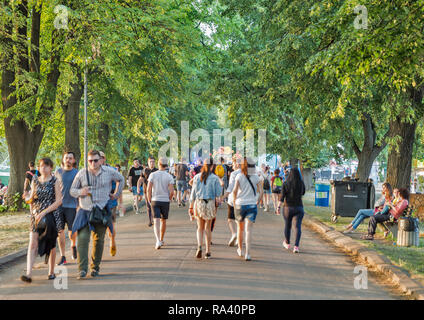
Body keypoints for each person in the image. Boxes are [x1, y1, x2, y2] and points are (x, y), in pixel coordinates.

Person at [70, 150, 124, 279]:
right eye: (90, 161)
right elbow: (72, 190)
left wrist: (115, 195)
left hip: (101, 210)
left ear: (100, 160)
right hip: (85, 210)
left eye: (95, 160)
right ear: (87, 161)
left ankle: (95, 268)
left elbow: (121, 179)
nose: (93, 163)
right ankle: (82, 269)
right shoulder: (82, 173)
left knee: (99, 240)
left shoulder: (109, 172)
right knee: (82, 239)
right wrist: (80, 192)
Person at [21, 158, 62, 283]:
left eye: (46, 166)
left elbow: (59, 201)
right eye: (41, 166)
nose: (43, 168)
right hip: (36, 216)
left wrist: (44, 212)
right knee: (32, 243)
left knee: (51, 244)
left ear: (50, 168)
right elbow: (32, 198)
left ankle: (51, 272)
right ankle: (28, 273)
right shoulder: (34, 180)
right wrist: (28, 201)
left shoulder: (55, 181)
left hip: (51, 215)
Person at [189, 157, 222, 259]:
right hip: (210, 203)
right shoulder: (215, 178)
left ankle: (199, 246)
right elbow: (218, 194)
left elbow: (193, 194)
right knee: (208, 227)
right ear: (212, 166)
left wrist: (190, 207)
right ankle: (208, 251)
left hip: (199, 203)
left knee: (200, 227)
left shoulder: (197, 177)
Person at [232, 157, 263, 261]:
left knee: (240, 229)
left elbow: (235, 191)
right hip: (251, 204)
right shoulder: (256, 177)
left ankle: (240, 249)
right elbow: (261, 191)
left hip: (240, 205)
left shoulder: (239, 176)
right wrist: (258, 200)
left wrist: (234, 202)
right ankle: (248, 254)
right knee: (248, 230)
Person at [55, 151, 79, 266]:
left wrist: (80, 205)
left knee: (72, 232)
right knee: (60, 231)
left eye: (70, 158)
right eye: (66, 158)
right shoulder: (58, 172)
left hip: (72, 206)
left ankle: (73, 245)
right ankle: (63, 256)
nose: (68, 160)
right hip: (59, 206)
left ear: (73, 160)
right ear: (63, 160)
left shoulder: (77, 173)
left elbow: (80, 190)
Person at [146, 157, 174, 249]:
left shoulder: (153, 175)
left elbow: (148, 189)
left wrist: (149, 199)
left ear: (158, 164)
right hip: (165, 200)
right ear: (166, 165)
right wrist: (169, 199)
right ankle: (161, 239)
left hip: (155, 200)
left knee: (156, 221)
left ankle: (157, 240)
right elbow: (172, 191)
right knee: (163, 220)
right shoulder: (169, 176)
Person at [277, 167, 306, 254]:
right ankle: (296, 246)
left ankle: (287, 242)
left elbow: (282, 197)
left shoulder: (286, 183)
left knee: (288, 225)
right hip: (299, 207)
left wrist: (278, 207)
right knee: (297, 227)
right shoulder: (301, 183)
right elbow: (303, 193)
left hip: (288, 208)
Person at [99, 151, 118, 257]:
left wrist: (117, 197)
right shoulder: (92, 171)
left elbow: (119, 184)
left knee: (110, 226)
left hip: (110, 203)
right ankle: (98, 251)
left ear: (104, 158)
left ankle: (112, 241)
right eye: (97, 158)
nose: (99, 160)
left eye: (101, 157)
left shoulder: (112, 170)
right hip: (97, 204)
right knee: (99, 228)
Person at [223, 155, 242, 247]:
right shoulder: (248, 173)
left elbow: (230, 188)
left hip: (233, 200)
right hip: (244, 200)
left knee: (230, 219)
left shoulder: (234, 174)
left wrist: (223, 197)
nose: (232, 165)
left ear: (237, 164)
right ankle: (239, 237)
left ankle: (234, 233)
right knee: (240, 221)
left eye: (233, 163)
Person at [140, 156, 158, 227]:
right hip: (146, 191)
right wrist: (138, 187)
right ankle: (150, 220)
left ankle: (155, 219)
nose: (152, 163)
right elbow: (140, 179)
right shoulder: (144, 170)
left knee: (155, 205)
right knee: (148, 206)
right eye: (150, 161)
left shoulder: (157, 170)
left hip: (155, 191)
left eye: (153, 161)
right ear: (148, 162)